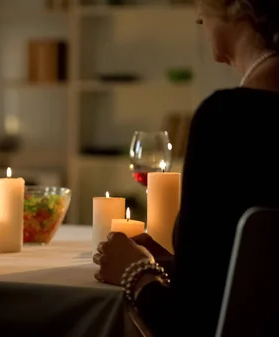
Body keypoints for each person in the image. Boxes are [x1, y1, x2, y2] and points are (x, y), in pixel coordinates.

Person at [94, 1, 279, 336]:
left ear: (240, 8)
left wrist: (134, 272)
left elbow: (188, 323)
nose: (197, 16)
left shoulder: (227, 120)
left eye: (203, 3)